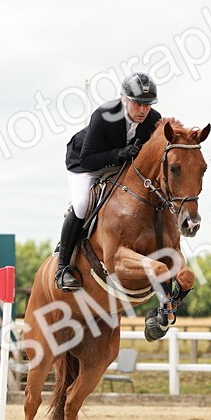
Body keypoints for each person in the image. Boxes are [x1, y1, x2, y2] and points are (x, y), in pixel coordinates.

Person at [56, 72, 163, 292]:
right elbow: (87, 158)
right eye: (137, 103)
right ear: (124, 99)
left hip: (120, 165)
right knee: (82, 204)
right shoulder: (104, 115)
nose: (143, 110)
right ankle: (63, 267)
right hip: (85, 164)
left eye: (147, 105)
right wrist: (119, 153)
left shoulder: (153, 119)